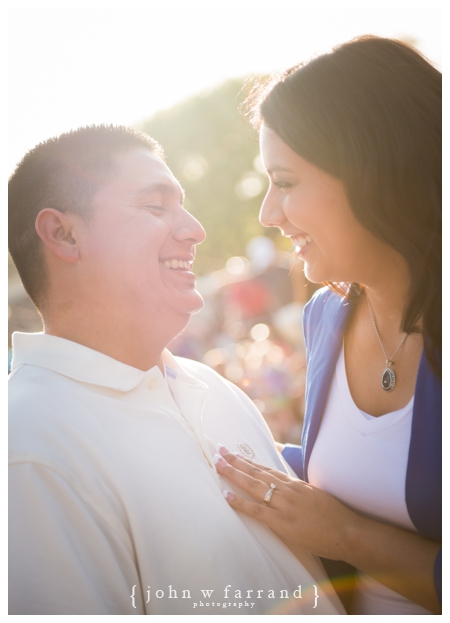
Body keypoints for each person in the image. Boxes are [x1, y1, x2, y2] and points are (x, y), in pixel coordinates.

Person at [8, 125, 345, 615]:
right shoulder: (30, 449)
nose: (195, 229)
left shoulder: (209, 385)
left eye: (182, 204)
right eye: (154, 206)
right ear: (63, 233)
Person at [213, 36, 441, 615]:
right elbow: (344, 474)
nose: (268, 213)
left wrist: (346, 537)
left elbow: (342, 520)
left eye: (285, 182)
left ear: (373, 171)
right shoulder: (324, 318)